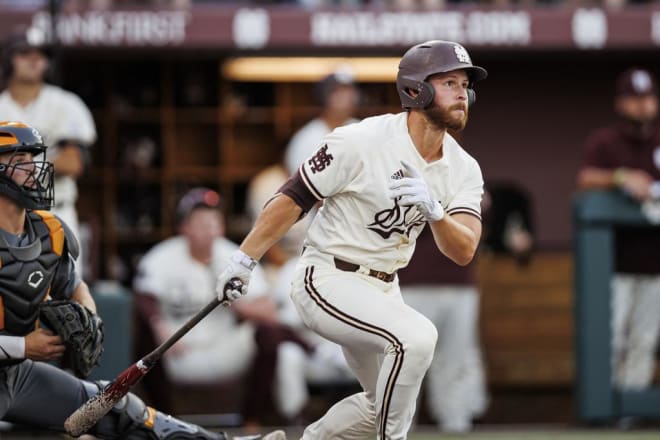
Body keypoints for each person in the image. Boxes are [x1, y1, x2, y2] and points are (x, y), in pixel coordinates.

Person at [215, 39, 487, 440]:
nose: (461, 93)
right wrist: (244, 259)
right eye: (449, 82)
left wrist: (437, 214)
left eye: (464, 84)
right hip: (327, 275)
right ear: (415, 90)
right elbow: (293, 199)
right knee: (418, 337)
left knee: (385, 403)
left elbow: (463, 249)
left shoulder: (463, 168)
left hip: (384, 287)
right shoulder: (360, 140)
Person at [0, 121, 224, 439]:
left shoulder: (48, 230)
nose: (33, 170)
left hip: (14, 375)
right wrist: (24, 346)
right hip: (16, 358)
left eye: (33, 160)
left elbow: (75, 285)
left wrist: (88, 313)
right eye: (19, 162)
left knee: (114, 408)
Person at [133, 187, 312, 429]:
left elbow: (269, 310)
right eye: (200, 221)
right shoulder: (164, 256)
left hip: (224, 344)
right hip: (178, 347)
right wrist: (158, 325)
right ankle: (167, 422)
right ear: (184, 226)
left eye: (214, 220)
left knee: (270, 334)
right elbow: (143, 297)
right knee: (143, 338)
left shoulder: (236, 257)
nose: (209, 228)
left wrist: (242, 307)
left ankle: (251, 420)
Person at [577, 67, 660, 391]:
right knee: (610, 335)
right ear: (622, 103)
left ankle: (630, 408)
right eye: (635, 99)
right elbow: (585, 180)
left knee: (645, 337)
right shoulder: (605, 141)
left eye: (649, 98)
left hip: (655, 261)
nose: (643, 106)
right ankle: (604, 401)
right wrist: (621, 177)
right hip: (613, 262)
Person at [0, 28, 96, 279]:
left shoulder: (66, 104)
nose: (34, 60)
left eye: (40, 54)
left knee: (65, 301)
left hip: (56, 213)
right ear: (10, 59)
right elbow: (60, 160)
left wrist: (15, 163)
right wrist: (46, 159)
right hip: (4, 215)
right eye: (24, 53)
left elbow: (74, 162)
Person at [398, 227, 489, 433]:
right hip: (411, 281)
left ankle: (456, 425)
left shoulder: (471, 193)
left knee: (456, 360)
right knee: (405, 362)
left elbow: (476, 223)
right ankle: (396, 431)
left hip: (460, 282)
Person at [284, 64, 360, 176]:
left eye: (348, 91)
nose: (345, 97)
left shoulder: (362, 129)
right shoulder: (307, 138)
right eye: (337, 92)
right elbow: (299, 186)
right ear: (325, 96)